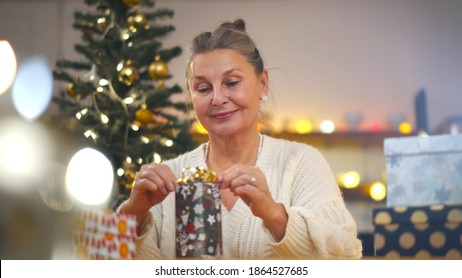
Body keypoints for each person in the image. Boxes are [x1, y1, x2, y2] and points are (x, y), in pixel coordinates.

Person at [119, 19, 363, 259]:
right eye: (203, 88)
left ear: (263, 83)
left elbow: (345, 252)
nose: (217, 98)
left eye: (232, 82)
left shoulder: (301, 164)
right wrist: (133, 214)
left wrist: (274, 214)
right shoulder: (169, 178)